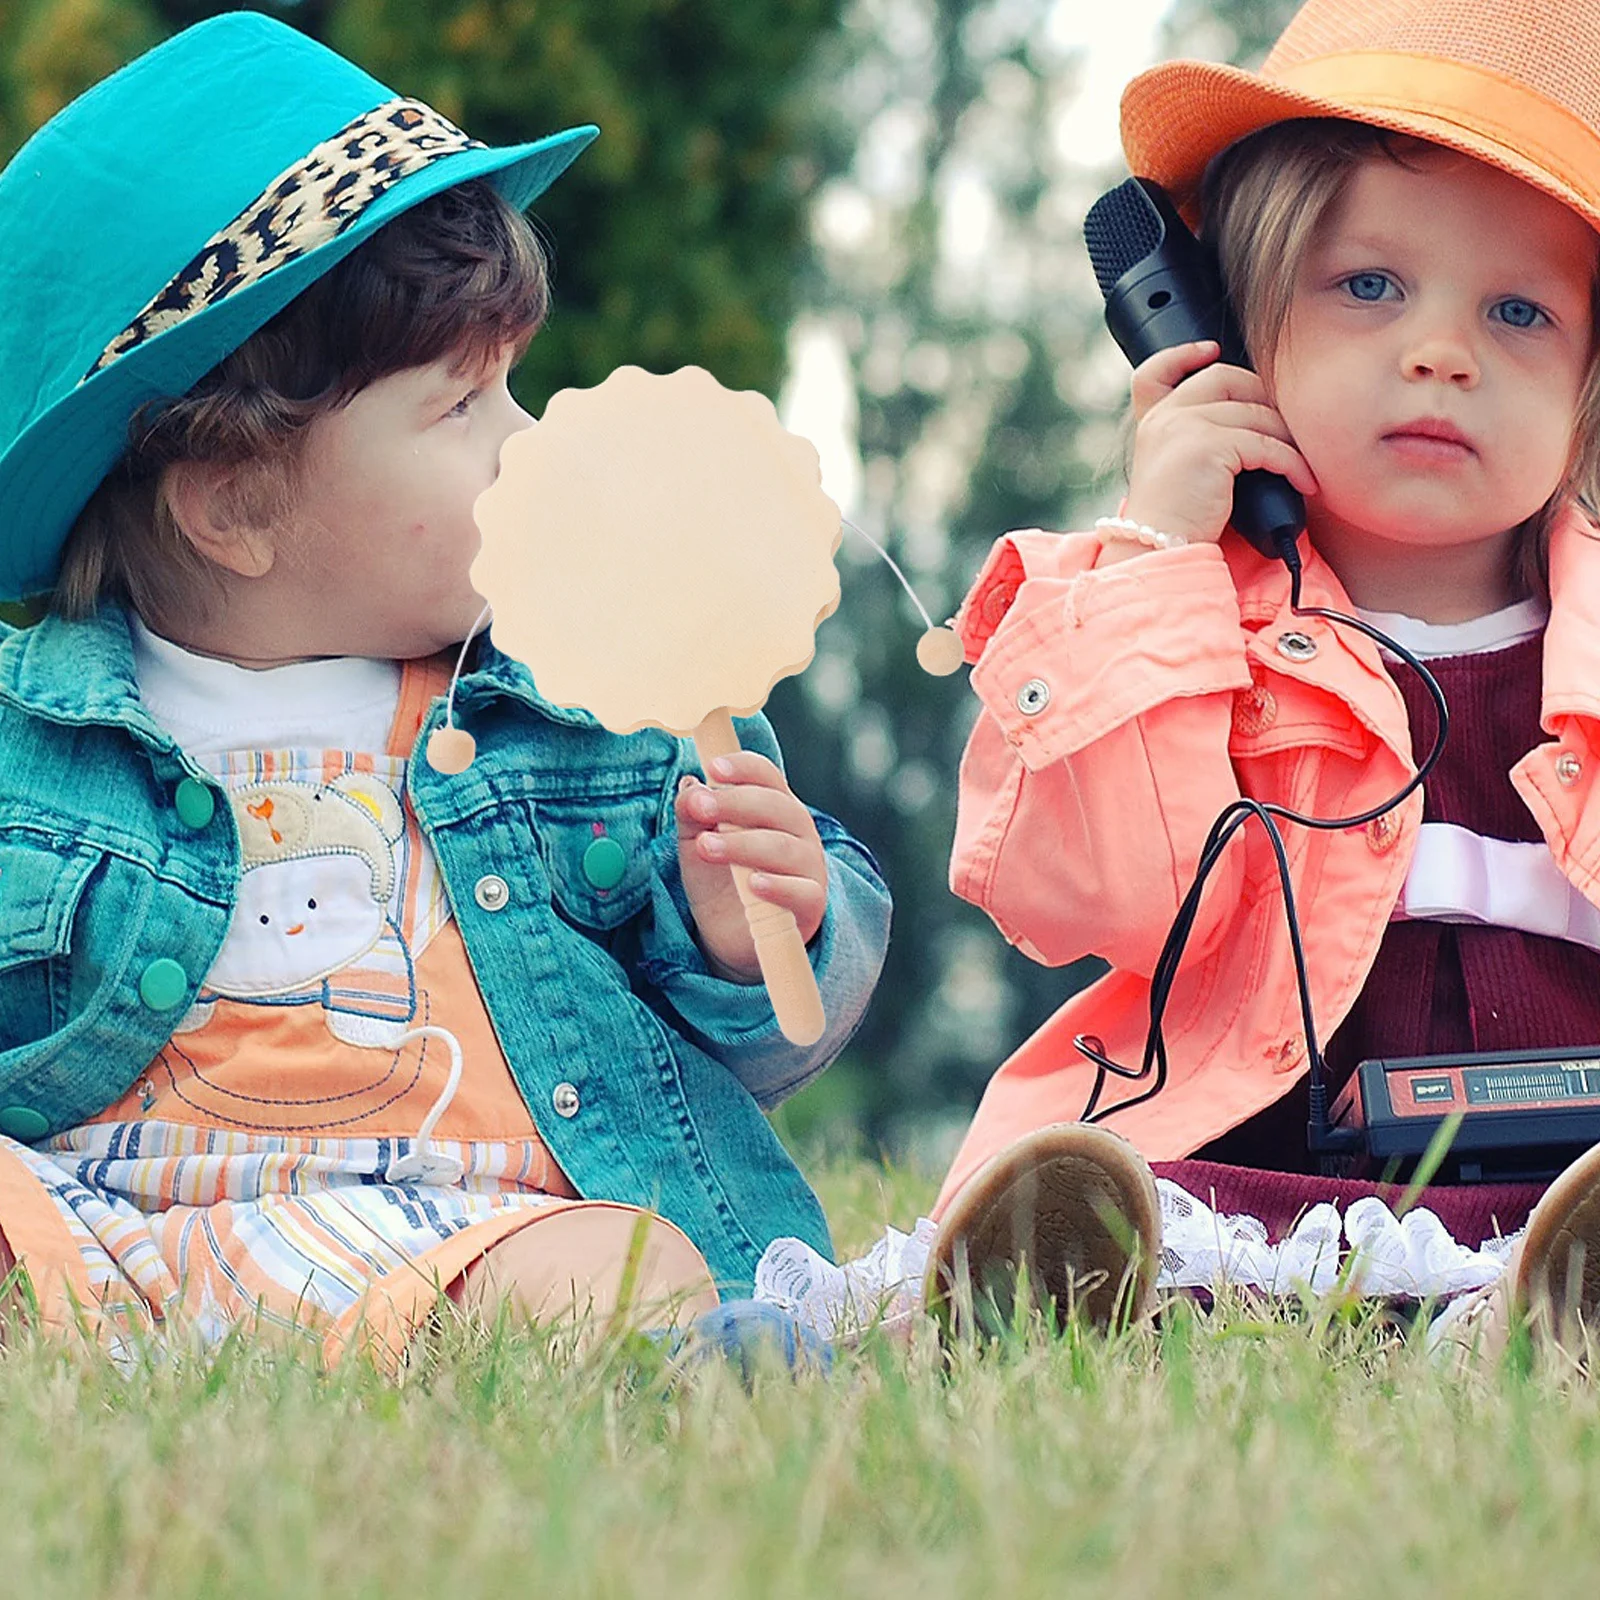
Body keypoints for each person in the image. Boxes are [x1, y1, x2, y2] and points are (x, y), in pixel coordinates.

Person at [0, 13, 889, 1367]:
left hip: (465, 1237)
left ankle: (708, 1375)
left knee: (629, 1264)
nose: (526, 442)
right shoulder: (29, 746)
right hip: (104, 1233)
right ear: (236, 504)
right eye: (463, 406)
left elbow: (774, 1040)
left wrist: (751, 931)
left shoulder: (587, 709)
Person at [923, 0, 1600, 1356]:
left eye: (1519, 310)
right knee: (1183, 1234)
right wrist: (1153, 561)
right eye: (1369, 286)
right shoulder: (1172, 613)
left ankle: (1525, 1315)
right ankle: (1094, 1295)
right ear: (1229, 328)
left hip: (1568, 1167)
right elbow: (1087, 898)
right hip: (1268, 1157)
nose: (1441, 351)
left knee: (1570, 1235)